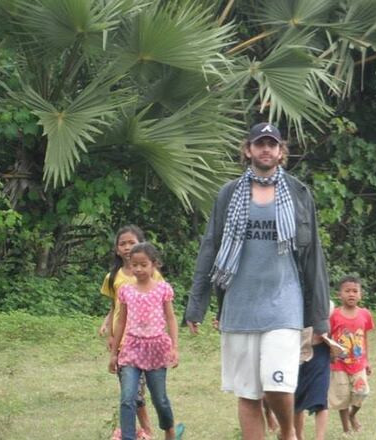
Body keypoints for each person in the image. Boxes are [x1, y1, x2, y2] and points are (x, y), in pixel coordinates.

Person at [184, 122, 330, 440]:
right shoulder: (229, 194)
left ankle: (288, 432)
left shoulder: (298, 193)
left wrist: (319, 318)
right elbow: (211, 247)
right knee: (248, 393)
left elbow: (313, 257)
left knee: (277, 383)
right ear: (248, 150)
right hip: (239, 304)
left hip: (284, 303)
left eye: (272, 144)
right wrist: (197, 305)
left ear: (280, 152)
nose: (266, 149)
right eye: (259, 143)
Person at [109, 243, 184, 440]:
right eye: (134, 265)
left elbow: (171, 318)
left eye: (143, 264)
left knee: (160, 399)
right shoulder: (125, 290)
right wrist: (114, 353)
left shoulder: (162, 289)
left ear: (154, 265)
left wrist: (174, 347)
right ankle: (128, 437)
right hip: (132, 349)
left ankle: (169, 429)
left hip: (157, 349)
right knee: (128, 398)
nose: (139, 269)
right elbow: (121, 321)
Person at [98, 225, 163, 440]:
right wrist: (109, 331)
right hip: (123, 342)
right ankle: (139, 432)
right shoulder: (113, 276)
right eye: (122, 244)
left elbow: (162, 304)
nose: (127, 247)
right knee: (130, 391)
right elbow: (115, 306)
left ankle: (147, 430)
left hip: (147, 342)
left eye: (131, 243)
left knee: (140, 392)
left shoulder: (152, 275)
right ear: (117, 250)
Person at [328, 276, 374, 434]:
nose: (351, 294)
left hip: (358, 363)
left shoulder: (365, 314)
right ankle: (346, 429)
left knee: (362, 392)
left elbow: (364, 338)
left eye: (355, 291)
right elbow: (328, 337)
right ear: (339, 294)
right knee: (343, 398)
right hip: (338, 364)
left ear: (360, 295)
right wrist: (330, 355)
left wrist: (367, 360)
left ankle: (352, 415)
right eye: (347, 291)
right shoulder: (333, 315)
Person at [293, 301, 334, 440]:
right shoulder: (290, 299)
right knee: (295, 400)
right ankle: (298, 436)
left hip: (320, 353)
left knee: (321, 399)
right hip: (295, 354)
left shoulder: (327, 304)